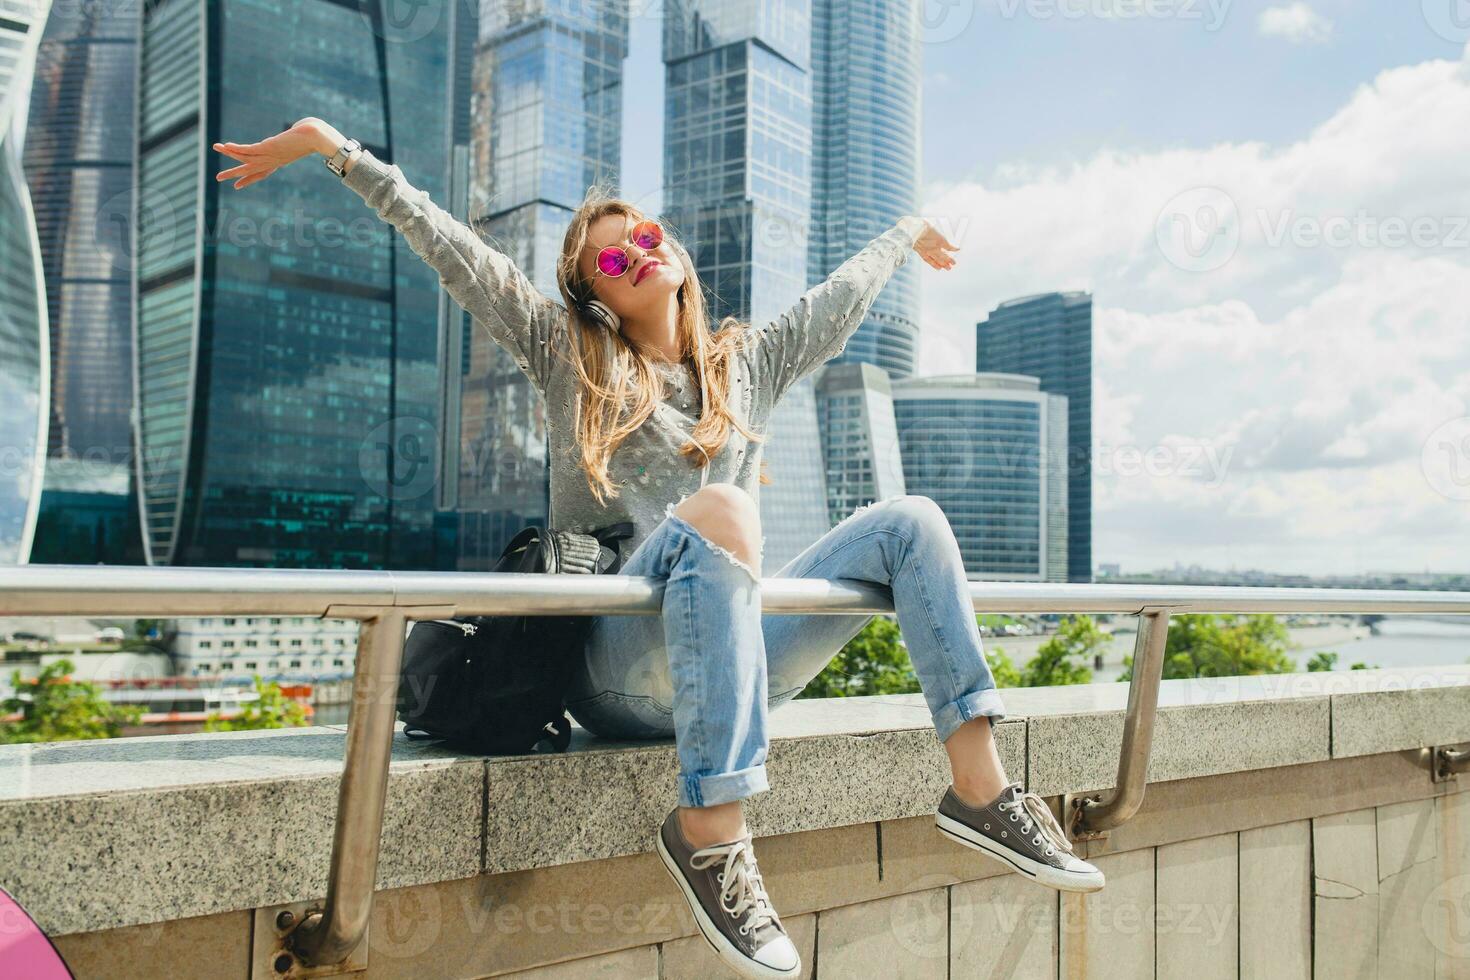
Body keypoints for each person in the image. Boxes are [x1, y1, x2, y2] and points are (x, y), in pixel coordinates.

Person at [214, 118, 1104, 980]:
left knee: (914, 523)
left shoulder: (745, 364)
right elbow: (451, 248)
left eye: (643, 234)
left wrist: (906, 232)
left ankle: (982, 793)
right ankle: (711, 836)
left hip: (735, 662)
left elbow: (834, 301)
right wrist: (335, 150)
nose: (635, 251)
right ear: (596, 294)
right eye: (611, 256)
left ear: (671, 250)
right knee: (723, 509)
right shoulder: (568, 354)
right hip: (618, 670)